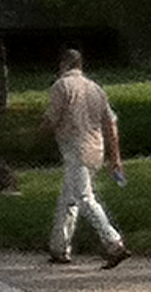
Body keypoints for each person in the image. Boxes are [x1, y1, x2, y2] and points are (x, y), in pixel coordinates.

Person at [40, 48, 127, 268]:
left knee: (84, 199)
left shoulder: (61, 86)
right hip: (95, 150)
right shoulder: (95, 89)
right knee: (68, 200)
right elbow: (111, 123)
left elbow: (52, 120)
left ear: (63, 65)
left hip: (75, 150)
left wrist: (34, 132)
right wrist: (115, 157)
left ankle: (114, 242)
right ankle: (59, 247)